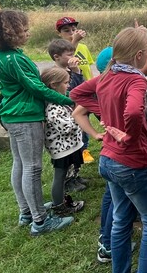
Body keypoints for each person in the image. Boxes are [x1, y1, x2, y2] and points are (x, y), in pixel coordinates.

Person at [71, 27, 147, 273]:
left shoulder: (107, 75)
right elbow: (133, 112)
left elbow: (76, 93)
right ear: (139, 55)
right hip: (132, 162)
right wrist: (129, 134)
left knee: (121, 218)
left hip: (108, 159)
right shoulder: (136, 80)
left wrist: (104, 112)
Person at [0, 10, 74, 236]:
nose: (28, 33)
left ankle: (27, 212)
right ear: (9, 33)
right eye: (24, 30)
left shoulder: (7, 55)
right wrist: (68, 100)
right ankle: (40, 221)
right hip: (24, 116)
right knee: (32, 167)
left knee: (20, 164)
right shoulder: (14, 59)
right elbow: (36, 87)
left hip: (14, 115)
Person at [40, 66, 86, 216]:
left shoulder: (59, 101)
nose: (68, 85)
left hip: (68, 147)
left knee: (64, 174)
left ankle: (61, 200)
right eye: (66, 83)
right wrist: (79, 115)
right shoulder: (53, 107)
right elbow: (66, 128)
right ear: (54, 85)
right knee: (60, 177)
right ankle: (59, 206)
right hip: (62, 150)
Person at [47, 38, 88, 193]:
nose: (73, 57)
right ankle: (69, 181)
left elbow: (81, 88)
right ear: (57, 57)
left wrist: (76, 72)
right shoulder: (56, 75)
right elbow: (74, 91)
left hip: (74, 116)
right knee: (68, 158)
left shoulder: (70, 71)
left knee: (77, 150)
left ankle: (75, 176)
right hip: (67, 121)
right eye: (69, 54)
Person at [56, 16, 95, 163]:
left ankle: (89, 147)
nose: (71, 33)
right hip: (73, 91)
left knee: (92, 117)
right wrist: (75, 41)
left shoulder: (83, 48)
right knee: (78, 119)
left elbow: (87, 67)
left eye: (73, 29)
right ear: (59, 34)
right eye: (66, 31)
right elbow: (65, 64)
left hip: (87, 89)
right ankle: (81, 149)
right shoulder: (59, 49)